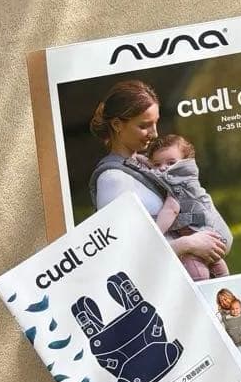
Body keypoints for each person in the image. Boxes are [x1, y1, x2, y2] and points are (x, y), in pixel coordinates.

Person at [88, 80, 225, 277]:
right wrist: (187, 244)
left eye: (155, 122)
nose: (155, 133)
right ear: (117, 125)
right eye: (144, 125)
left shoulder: (146, 165)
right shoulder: (112, 180)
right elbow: (124, 254)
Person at [146, 134, 233, 280]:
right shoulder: (188, 179)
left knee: (192, 264)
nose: (163, 168)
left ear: (185, 162)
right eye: (157, 165)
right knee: (216, 264)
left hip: (203, 236)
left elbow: (171, 209)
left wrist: (156, 231)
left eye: (171, 163)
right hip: (218, 235)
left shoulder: (178, 185)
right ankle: (224, 279)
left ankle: (200, 283)